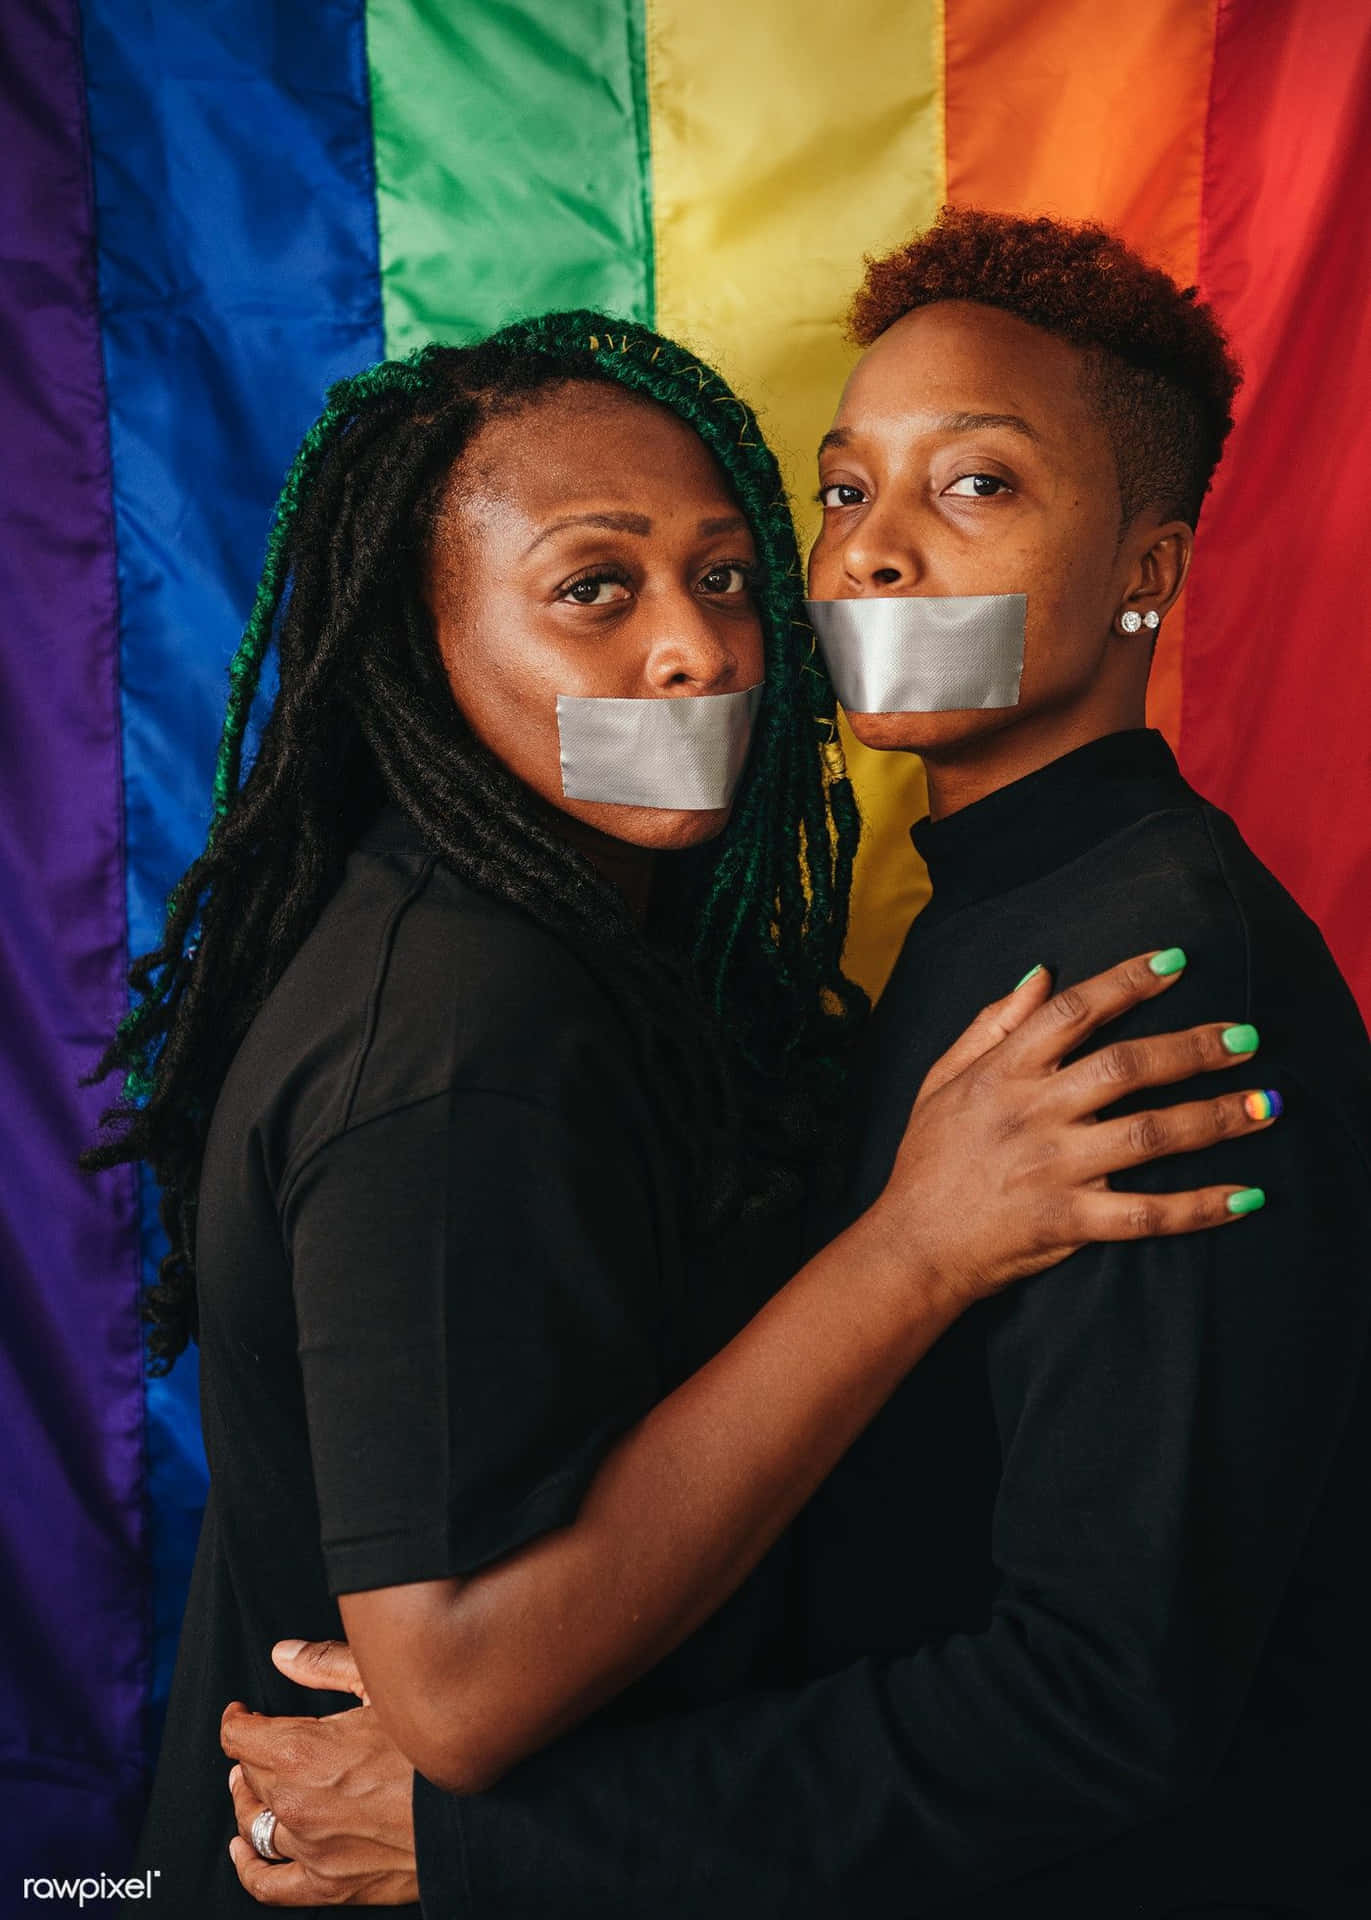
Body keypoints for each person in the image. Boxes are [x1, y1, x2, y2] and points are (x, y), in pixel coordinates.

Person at [224, 217, 1371, 1917]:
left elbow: (1104, 1707)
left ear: (1150, 568)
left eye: (974, 486)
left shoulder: (1145, 981)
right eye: (843, 492)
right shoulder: (978, 906)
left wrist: (485, 1842)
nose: (876, 558)